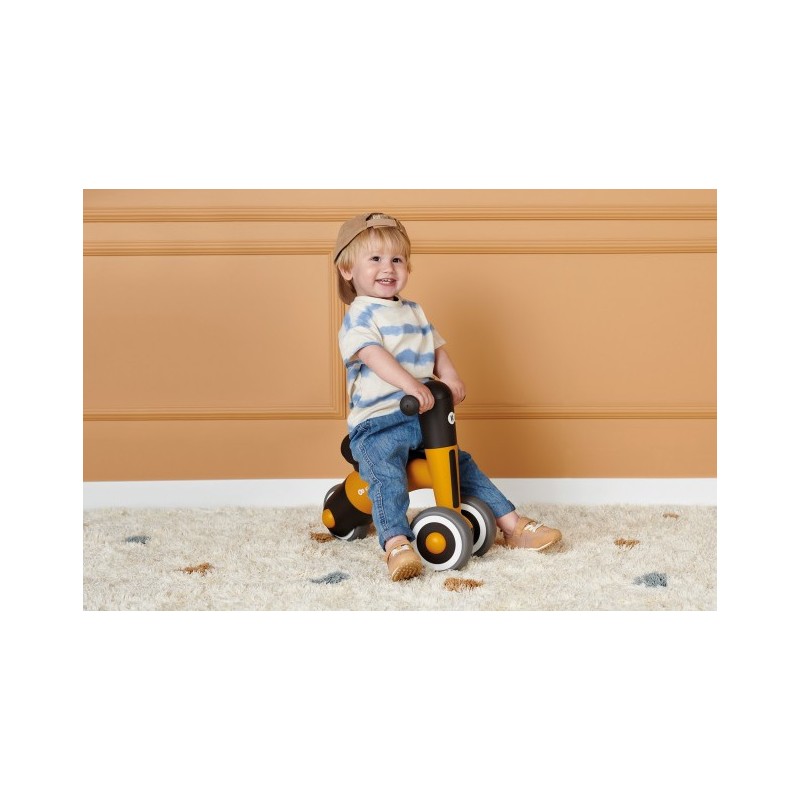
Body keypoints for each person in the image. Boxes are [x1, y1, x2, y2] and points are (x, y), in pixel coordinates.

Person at [334, 212, 562, 581]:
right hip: (377, 425)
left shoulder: (413, 311)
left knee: (461, 465)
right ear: (347, 269)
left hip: (424, 417)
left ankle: (512, 524)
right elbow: (372, 354)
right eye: (375, 259)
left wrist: (450, 376)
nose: (388, 268)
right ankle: (396, 543)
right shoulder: (359, 316)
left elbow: (436, 347)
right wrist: (410, 384)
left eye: (397, 259)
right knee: (386, 474)